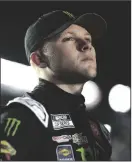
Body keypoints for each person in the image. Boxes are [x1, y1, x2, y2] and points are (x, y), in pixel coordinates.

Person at [0, 10, 112, 161]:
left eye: (88, 39)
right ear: (39, 59)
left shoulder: (98, 129)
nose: (86, 45)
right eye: (69, 38)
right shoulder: (19, 119)